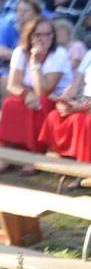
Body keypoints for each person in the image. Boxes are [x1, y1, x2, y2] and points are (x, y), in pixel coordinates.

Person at [0, 16, 71, 175]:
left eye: (48, 34)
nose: (44, 39)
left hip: (57, 98)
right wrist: (25, 93)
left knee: (40, 102)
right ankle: (7, 152)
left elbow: (44, 90)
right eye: (39, 35)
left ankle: (35, 153)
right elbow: (12, 84)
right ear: (30, 36)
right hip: (30, 93)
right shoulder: (20, 52)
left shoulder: (59, 54)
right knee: (10, 103)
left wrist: (35, 62)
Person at [0, 0, 46, 131]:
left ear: (36, 14)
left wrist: (15, 53)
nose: (20, 14)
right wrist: (20, 53)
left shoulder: (39, 33)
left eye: (25, 11)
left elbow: (35, 55)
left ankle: (7, 117)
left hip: (27, 70)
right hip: (6, 66)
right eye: (18, 11)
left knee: (6, 79)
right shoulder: (10, 30)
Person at [39, 49, 91, 183]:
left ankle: (83, 170)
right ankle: (66, 160)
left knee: (84, 120)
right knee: (55, 116)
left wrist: (83, 106)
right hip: (83, 99)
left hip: (87, 105)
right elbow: (75, 85)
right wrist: (62, 101)